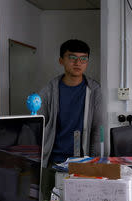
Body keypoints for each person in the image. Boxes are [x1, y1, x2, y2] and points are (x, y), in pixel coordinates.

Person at [37, 39, 103, 167]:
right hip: (53, 160)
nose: (78, 63)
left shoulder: (94, 90)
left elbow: (97, 128)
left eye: (83, 59)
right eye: (72, 58)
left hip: (83, 161)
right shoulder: (48, 91)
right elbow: (37, 128)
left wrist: (96, 161)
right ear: (61, 60)